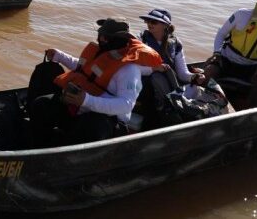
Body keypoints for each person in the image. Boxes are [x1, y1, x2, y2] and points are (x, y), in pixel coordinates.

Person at [27, 18, 162, 148]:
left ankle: (71, 159)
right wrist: (60, 56)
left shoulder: (129, 70)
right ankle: (41, 148)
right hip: (79, 107)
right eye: (100, 35)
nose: (101, 39)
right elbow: (83, 70)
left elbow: (126, 105)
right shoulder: (101, 53)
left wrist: (86, 100)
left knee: (90, 126)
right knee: (41, 105)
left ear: (121, 40)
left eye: (106, 37)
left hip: (106, 121)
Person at [137, 9, 205, 128]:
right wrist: (154, 69)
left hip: (167, 85)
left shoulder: (176, 43)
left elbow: (182, 73)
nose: (149, 24)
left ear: (165, 25)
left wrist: (194, 77)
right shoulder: (141, 40)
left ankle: (171, 109)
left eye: (154, 22)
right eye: (147, 21)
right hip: (145, 84)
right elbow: (133, 69)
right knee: (156, 80)